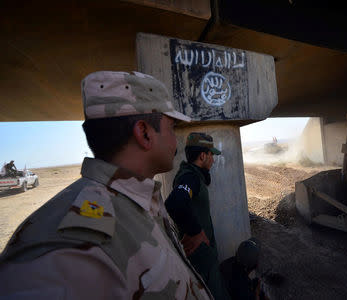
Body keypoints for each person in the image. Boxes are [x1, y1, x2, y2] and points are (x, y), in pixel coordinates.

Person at [0, 71, 212, 299]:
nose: (175, 139)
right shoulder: (72, 248)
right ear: (144, 133)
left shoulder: (138, 199)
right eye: (172, 127)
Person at [165, 132, 230, 299]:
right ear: (203, 155)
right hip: (201, 260)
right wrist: (196, 232)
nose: (213, 160)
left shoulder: (192, 176)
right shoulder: (190, 177)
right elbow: (175, 203)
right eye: (211, 155)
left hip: (203, 257)